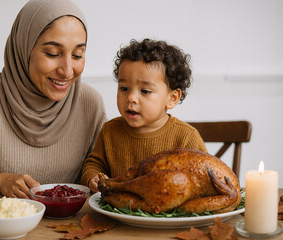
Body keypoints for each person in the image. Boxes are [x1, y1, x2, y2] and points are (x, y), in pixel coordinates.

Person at [0, 0, 106, 199]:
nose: (67, 70)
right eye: (52, 53)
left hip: (68, 225)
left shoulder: (90, 103)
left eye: (77, 55)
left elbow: (99, 173)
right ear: (24, 47)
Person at [81, 38, 207, 193]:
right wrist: (93, 177)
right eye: (124, 88)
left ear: (172, 98)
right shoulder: (110, 131)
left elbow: (205, 177)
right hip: (117, 213)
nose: (131, 98)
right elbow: (94, 164)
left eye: (145, 91)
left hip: (168, 215)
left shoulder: (186, 137)